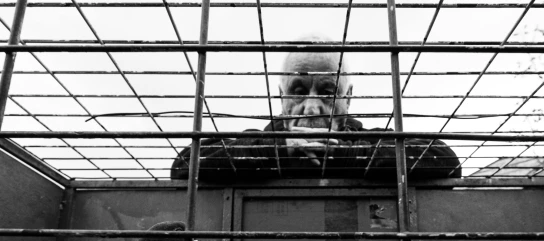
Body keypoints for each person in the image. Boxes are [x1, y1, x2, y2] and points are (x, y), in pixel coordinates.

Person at [171, 34, 461, 181]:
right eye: (298, 91)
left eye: (326, 91)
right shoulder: (255, 139)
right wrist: (276, 150)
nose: (311, 107)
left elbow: (446, 159)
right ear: (281, 96)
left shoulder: (371, 140)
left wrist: (345, 154)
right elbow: (183, 164)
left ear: (348, 97)